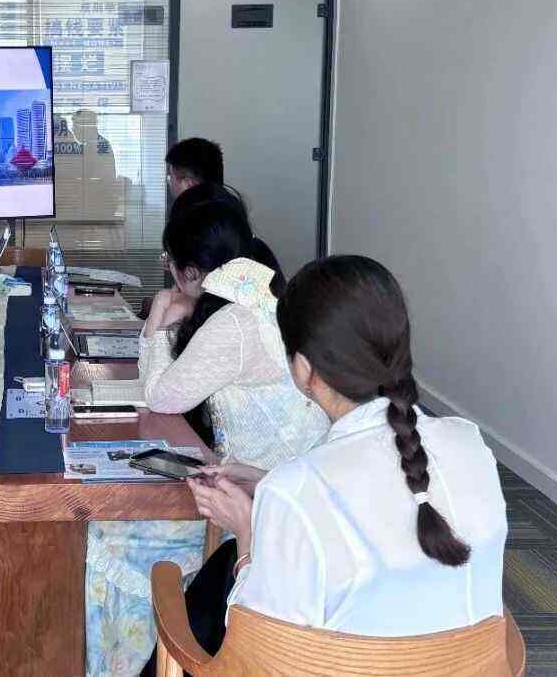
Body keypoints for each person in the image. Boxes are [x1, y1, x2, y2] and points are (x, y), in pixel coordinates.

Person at [180, 255, 507, 649]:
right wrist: (268, 484)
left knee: (211, 588)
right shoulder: (470, 444)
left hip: (332, 663)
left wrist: (247, 530)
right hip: (477, 663)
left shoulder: (296, 490)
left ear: (304, 368)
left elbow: (256, 647)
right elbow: (379, 501)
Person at [87, 185, 327, 677]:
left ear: (191, 272)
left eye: (169, 262)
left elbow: (161, 396)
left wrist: (158, 316)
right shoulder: (266, 294)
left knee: (109, 533)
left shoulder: (233, 323)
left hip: (259, 506)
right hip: (287, 485)